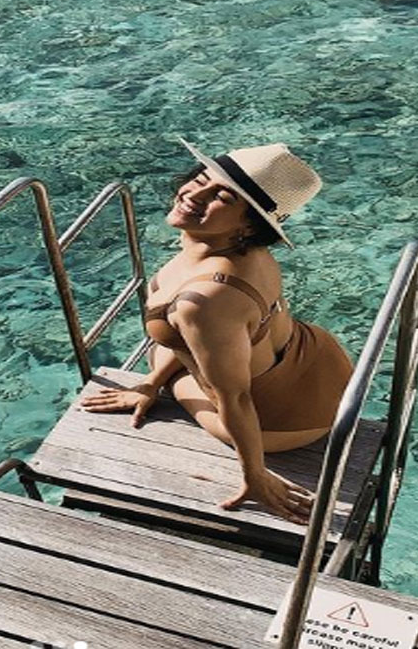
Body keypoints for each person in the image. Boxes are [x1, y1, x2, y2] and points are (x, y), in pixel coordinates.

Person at [81, 140, 353, 525]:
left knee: (170, 349)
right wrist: (150, 383)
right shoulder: (241, 251)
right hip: (321, 367)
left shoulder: (206, 301)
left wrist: (255, 477)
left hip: (280, 421)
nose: (194, 194)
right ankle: (157, 378)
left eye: (221, 196)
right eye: (201, 179)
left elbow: (236, 396)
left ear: (248, 223)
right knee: (168, 349)